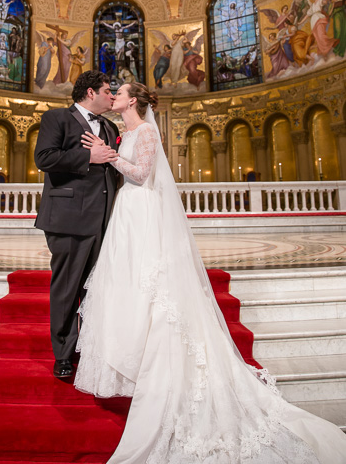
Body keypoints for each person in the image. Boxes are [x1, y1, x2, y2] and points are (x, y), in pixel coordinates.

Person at [74, 82, 346, 463]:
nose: (113, 97)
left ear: (132, 100)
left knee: (154, 286)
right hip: (128, 213)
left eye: (117, 93)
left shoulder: (148, 131)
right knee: (128, 283)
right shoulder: (126, 131)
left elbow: (141, 174)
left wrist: (109, 157)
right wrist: (109, 153)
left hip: (143, 210)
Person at [34, 70, 120, 379]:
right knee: (68, 289)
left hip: (105, 222)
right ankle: (64, 354)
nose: (112, 96)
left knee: (96, 290)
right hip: (68, 218)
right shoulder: (57, 119)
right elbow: (44, 158)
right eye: (108, 91)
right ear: (90, 93)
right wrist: (89, 156)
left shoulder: (110, 126)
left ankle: (92, 346)